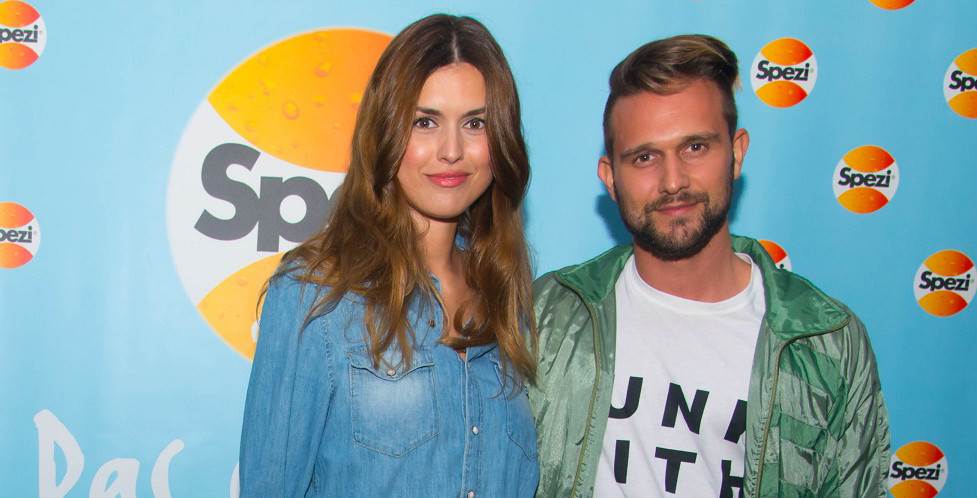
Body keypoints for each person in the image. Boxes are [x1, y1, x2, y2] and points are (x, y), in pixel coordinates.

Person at [530, 35, 889, 497]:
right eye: (644, 157)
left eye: (695, 147)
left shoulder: (825, 342)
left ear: (736, 153)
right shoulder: (552, 316)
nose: (673, 180)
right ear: (610, 178)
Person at [239, 14, 538, 498]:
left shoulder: (507, 296)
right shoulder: (316, 293)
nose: (452, 150)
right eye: (425, 122)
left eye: (475, 123)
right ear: (387, 132)